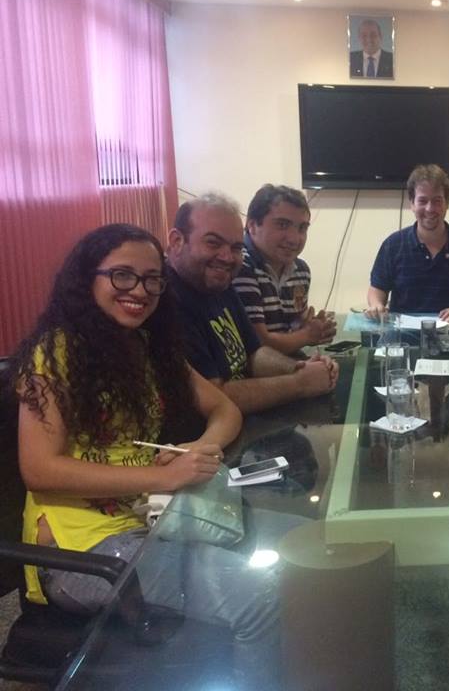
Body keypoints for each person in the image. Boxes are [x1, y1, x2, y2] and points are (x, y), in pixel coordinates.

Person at [8, 224, 288, 689]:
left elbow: (225, 410)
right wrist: (165, 478)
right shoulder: (54, 354)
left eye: (152, 279)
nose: (139, 290)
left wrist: (198, 448)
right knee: (257, 599)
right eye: (122, 275)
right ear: (88, 279)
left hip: (152, 519)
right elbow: (40, 469)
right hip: (85, 550)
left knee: (291, 547)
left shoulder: (144, 348)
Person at [167, 192, 339, 414]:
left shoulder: (220, 283)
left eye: (236, 247)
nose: (227, 257)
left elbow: (255, 353)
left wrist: (300, 367)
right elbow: (213, 398)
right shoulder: (166, 301)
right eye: (213, 243)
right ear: (177, 241)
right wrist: (300, 382)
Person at [366, 164, 449, 323]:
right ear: (412, 204)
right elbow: (377, 289)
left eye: (437, 201)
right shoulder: (392, 246)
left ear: (447, 204)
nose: (429, 208)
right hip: (402, 335)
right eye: (422, 201)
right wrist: (377, 305)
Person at [232, 183, 336, 356]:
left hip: (286, 362)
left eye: (302, 228)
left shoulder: (301, 270)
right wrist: (308, 335)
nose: (294, 239)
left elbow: (293, 328)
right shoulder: (240, 265)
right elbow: (258, 344)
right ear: (252, 226)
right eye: (282, 225)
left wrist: (315, 327)